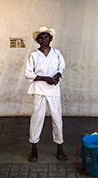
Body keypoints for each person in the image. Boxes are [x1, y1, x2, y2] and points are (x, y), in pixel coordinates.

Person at [25, 26, 67, 162]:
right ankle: (34, 149)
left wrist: (57, 75)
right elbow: (28, 74)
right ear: (38, 40)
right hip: (38, 91)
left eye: (46, 37)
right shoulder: (33, 55)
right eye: (41, 38)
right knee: (37, 119)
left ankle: (60, 147)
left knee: (57, 118)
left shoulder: (56, 53)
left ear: (51, 38)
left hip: (54, 90)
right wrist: (45, 78)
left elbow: (62, 67)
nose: (44, 40)